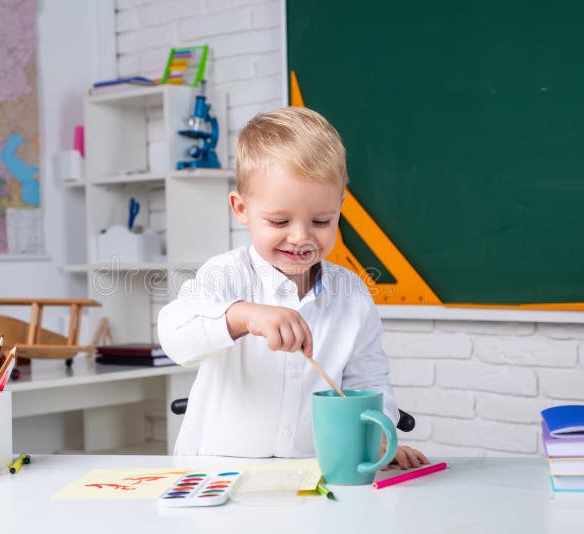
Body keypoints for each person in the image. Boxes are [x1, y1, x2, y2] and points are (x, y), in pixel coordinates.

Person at [158, 106, 427, 468]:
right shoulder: (226, 275)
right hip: (218, 473)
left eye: (321, 220)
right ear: (241, 208)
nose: (301, 237)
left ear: (339, 208)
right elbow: (175, 336)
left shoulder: (352, 296)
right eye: (279, 220)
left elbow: (369, 379)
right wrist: (241, 316)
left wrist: (379, 436)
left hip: (313, 471)